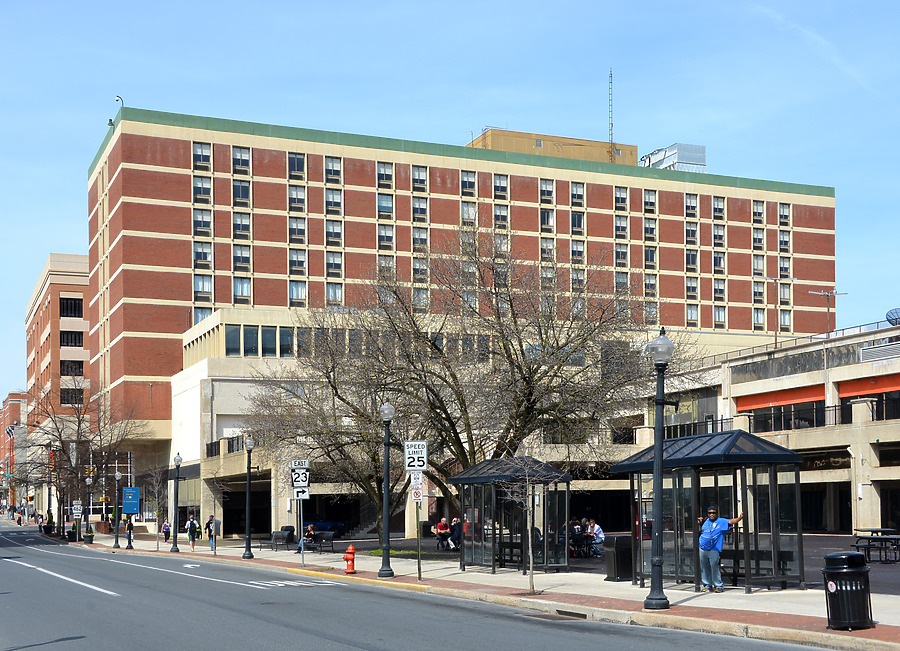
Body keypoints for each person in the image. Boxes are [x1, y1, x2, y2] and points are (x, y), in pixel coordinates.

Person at [697, 506, 744, 593]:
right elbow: (701, 531)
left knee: (714, 566)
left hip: (714, 549)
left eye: (713, 513)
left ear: (716, 513)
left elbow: (731, 521)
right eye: (710, 513)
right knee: (704, 567)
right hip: (702, 548)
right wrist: (699, 524)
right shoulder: (705, 521)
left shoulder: (721, 521)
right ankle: (707, 585)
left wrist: (740, 518)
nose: (711, 514)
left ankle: (718, 585)